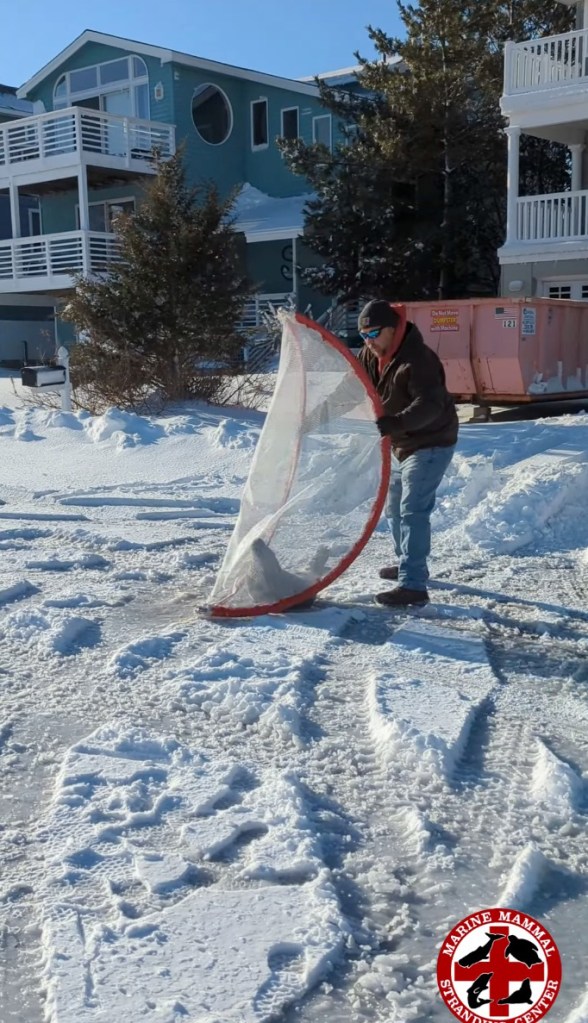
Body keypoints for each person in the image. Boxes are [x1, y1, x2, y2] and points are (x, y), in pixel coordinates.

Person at [357, 298, 458, 607]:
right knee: (394, 510)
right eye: (363, 336)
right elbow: (349, 387)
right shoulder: (371, 355)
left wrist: (393, 424)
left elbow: (430, 405)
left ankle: (413, 586)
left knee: (413, 511)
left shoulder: (418, 359)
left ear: (391, 329)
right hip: (400, 442)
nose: (368, 342)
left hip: (430, 442)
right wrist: (317, 413)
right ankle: (407, 566)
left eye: (373, 334)